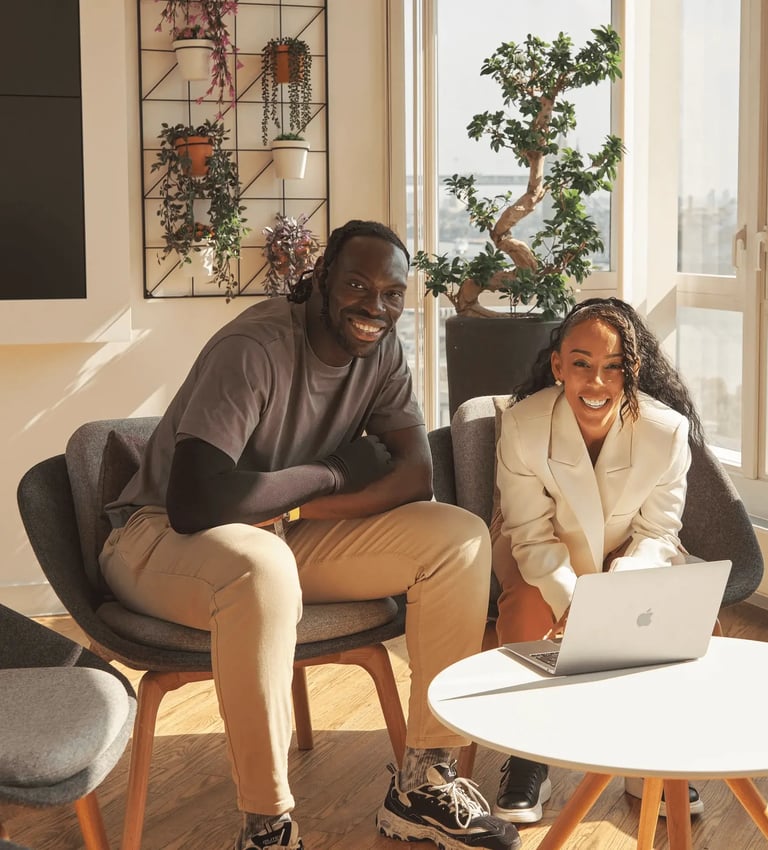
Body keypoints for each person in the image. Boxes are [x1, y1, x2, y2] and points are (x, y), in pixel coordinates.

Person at [100, 220, 520, 850]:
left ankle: (423, 781)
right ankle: (266, 825)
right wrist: (332, 472)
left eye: (390, 293)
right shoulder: (254, 348)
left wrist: (300, 511)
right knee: (262, 565)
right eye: (356, 284)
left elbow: (414, 477)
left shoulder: (381, 351)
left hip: (274, 534)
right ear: (320, 279)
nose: (374, 307)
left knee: (458, 539)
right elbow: (197, 501)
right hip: (157, 538)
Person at [488, 297, 706, 824]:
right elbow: (529, 531)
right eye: (581, 363)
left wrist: (617, 591)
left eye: (614, 367)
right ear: (558, 365)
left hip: (632, 552)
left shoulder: (667, 431)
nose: (596, 382)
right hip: (535, 547)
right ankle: (528, 752)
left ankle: (646, 752)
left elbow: (658, 531)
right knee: (527, 609)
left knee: (679, 616)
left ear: (633, 370)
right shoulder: (522, 425)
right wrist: (575, 599)